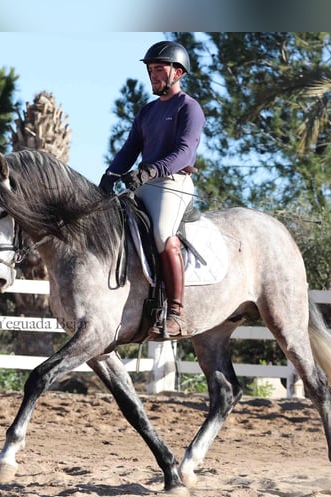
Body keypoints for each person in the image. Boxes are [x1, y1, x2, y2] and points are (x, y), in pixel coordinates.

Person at [100, 40, 206, 339]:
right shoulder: (147, 111)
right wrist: (109, 176)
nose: (154, 75)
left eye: (159, 69)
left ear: (178, 72)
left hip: (173, 183)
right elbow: (129, 150)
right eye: (151, 70)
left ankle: (175, 312)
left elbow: (185, 152)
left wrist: (151, 170)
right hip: (144, 182)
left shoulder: (189, 108)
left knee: (163, 236)